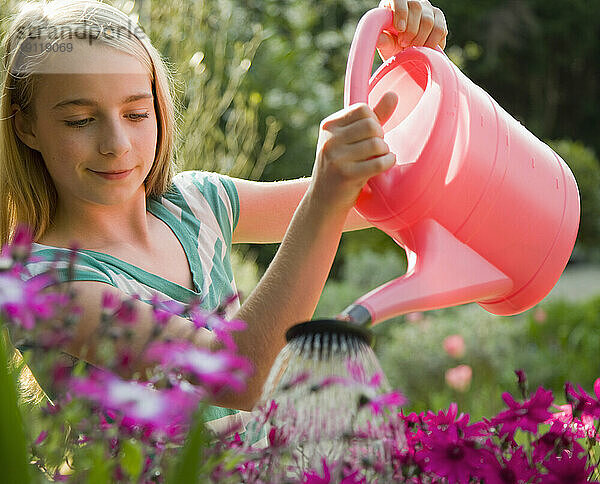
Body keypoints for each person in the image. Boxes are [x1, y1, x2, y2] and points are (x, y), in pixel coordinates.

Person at [0, 0, 447, 435]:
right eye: (80, 120)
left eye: (136, 113)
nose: (116, 143)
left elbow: (384, 195)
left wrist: (410, 71)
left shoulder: (196, 203)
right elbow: (239, 376)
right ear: (26, 127)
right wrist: (324, 201)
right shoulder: (46, 285)